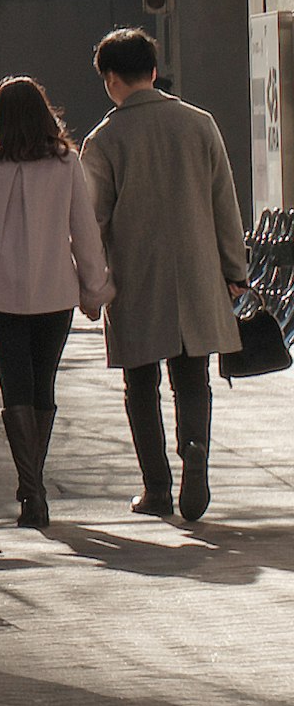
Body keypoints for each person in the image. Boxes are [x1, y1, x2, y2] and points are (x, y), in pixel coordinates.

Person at [81, 27, 252, 523]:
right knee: (193, 377)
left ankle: (156, 487)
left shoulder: (105, 137)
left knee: (141, 385)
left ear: (111, 79)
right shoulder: (200, 123)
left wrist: (91, 285)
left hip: (136, 278)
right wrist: (234, 268)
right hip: (198, 273)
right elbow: (225, 203)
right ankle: (194, 448)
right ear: (153, 72)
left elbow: (93, 218)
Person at [0, 73, 111, 527]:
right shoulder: (64, 161)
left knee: (13, 381)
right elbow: (84, 229)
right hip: (53, 288)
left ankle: (31, 492)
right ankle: (32, 482)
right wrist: (95, 289)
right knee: (43, 383)